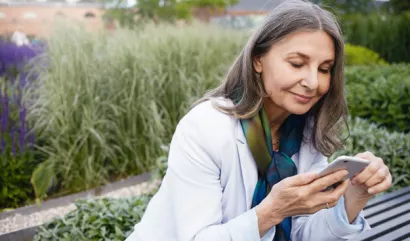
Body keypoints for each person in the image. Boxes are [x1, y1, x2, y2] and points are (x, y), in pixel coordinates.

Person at [125, 1, 392, 240]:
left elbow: (302, 234)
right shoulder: (204, 127)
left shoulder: (307, 133)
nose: (312, 82)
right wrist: (273, 210)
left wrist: (355, 197)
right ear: (258, 60)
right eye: (297, 64)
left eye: (324, 69)